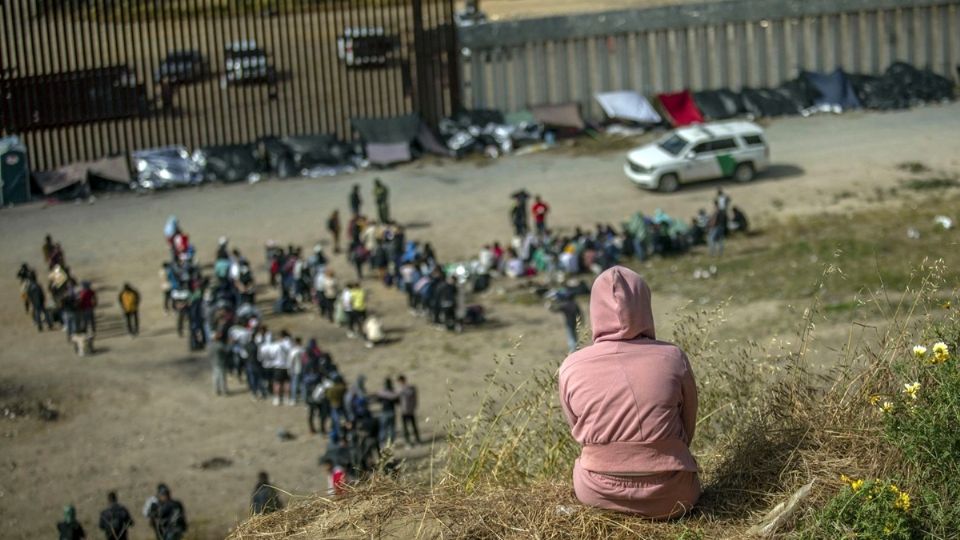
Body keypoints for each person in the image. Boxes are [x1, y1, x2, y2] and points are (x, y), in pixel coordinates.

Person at [558, 266, 699, 518]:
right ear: (644, 304)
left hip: (597, 493)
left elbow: (578, 430)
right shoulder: (673, 357)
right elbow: (687, 426)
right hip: (673, 495)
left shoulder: (571, 365)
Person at [396, 375, 421, 447]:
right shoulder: (399, 390)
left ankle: (417, 441)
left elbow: (413, 397)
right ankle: (408, 442)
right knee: (405, 428)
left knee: (413, 426)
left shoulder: (410, 388)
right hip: (404, 411)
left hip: (409, 410)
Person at [375, 378, 399, 446]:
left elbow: (378, 400)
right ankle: (390, 443)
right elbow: (397, 401)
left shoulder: (382, 393)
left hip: (384, 412)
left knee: (383, 429)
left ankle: (382, 443)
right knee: (391, 429)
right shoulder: (393, 393)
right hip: (391, 412)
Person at [210, 331, 230, 396]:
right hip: (221, 363)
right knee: (222, 378)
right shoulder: (220, 345)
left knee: (215, 377)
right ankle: (224, 391)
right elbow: (227, 350)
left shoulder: (210, 345)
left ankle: (216, 390)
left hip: (214, 363)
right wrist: (230, 343)